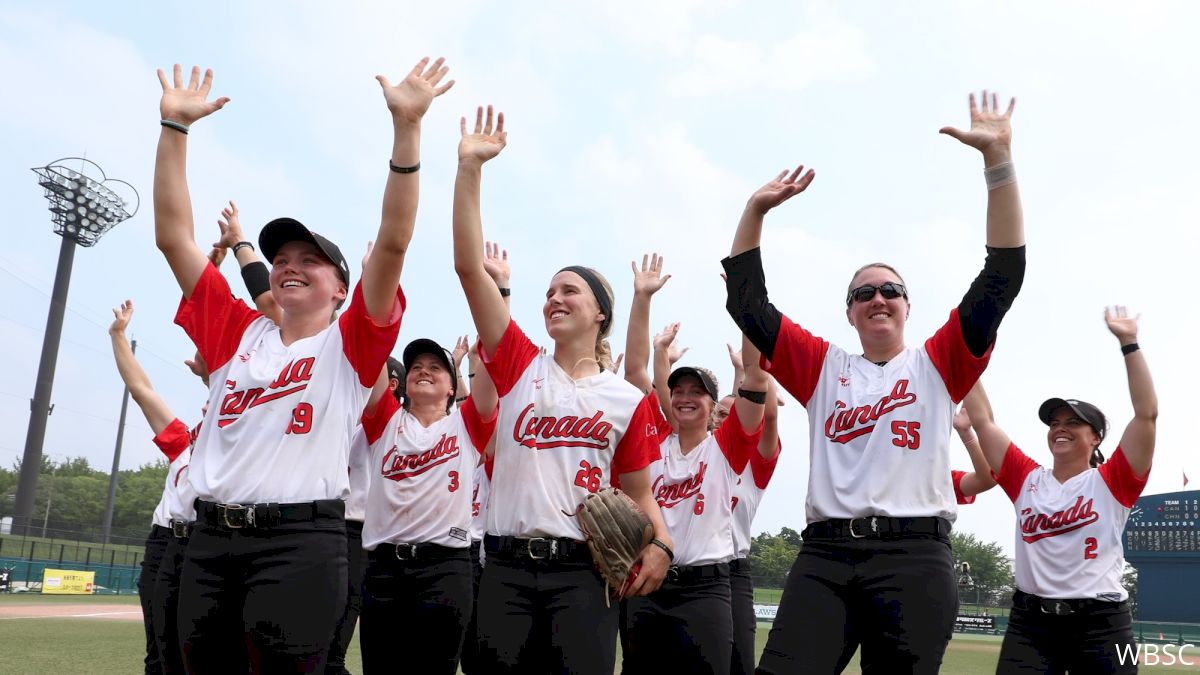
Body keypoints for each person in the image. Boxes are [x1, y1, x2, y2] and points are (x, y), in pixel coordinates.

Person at [152, 58, 450, 672]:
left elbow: (393, 240)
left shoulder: (351, 344)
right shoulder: (238, 330)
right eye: (280, 255)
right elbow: (173, 237)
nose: (289, 263)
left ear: (342, 288)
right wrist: (174, 130)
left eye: (309, 259)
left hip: (299, 545)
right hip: (208, 544)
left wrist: (408, 130)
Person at [723, 90, 1026, 673]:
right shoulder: (822, 367)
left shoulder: (939, 363)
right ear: (850, 312)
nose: (878, 297)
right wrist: (755, 211)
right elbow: (747, 304)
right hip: (827, 558)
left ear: (908, 307)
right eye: (864, 292)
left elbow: (1002, 276)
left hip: (914, 558)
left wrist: (998, 161)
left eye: (890, 290)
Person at [452, 105, 672, 674]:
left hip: (583, 574)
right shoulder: (520, 364)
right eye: (548, 291)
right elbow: (469, 270)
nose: (553, 298)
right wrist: (470, 169)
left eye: (569, 290)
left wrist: (663, 544)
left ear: (600, 313)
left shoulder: (626, 398)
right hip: (505, 570)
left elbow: (639, 493)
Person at [962, 306, 1156, 674]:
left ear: (1095, 437)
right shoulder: (1025, 479)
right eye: (1054, 422)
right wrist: (963, 354)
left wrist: (1129, 343)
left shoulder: (1113, 481)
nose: (1059, 428)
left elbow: (1147, 415)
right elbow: (984, 420)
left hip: (1103, 623)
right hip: (1031, 624)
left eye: (1073, 423)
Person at [358, 335, 498, 674]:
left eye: (436, 367)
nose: (424, 371)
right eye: (416, 366)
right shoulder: (385, 420)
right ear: (404, 381)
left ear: (453, 387)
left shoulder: (465, 424)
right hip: (383, 568)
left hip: (444, 568)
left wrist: (500, 292)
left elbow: (495, 361)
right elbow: (369, 345)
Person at [109, 299, 197, 675]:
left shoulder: (248, 444)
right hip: (164, 542)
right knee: (158, 655)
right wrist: (118, 336)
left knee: (196, 652)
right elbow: (142, 390)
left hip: (208, 545)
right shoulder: (184, 441)